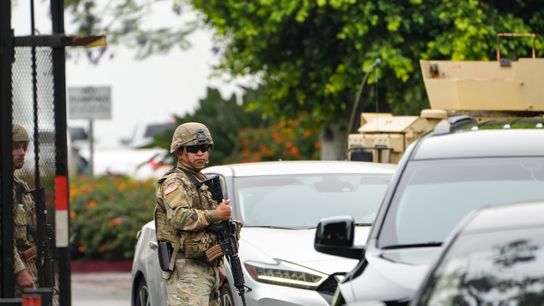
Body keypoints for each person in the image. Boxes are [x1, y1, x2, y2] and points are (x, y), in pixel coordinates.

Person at [154, 122, 233, 306]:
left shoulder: (201, 181)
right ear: (180, 152)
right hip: (186, 269)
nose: (200, 153)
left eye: (204, 148)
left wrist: (217, 265)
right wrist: (216, 214)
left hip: (206, 266)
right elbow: (180, 218)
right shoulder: (175, 182)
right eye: (194, 148)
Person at [11, 123, 38, 294]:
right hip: (11, 273)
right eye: (15, 147)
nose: (22, 152)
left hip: (28, 266)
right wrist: (19, 271)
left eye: (24, 147)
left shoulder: (19, 186)